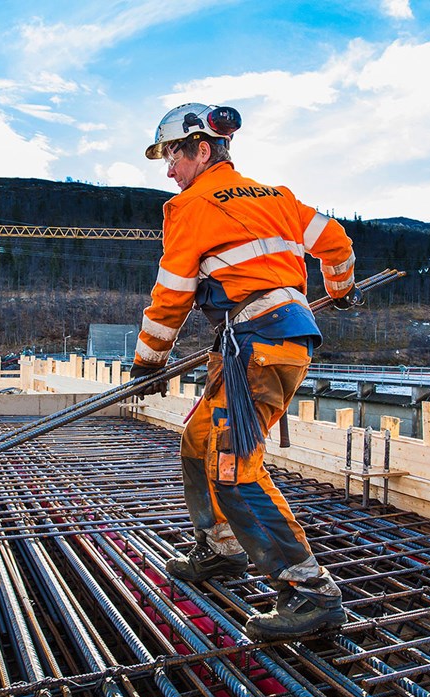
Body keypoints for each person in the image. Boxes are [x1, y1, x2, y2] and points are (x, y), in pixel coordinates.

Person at [132, 103, 361, 641]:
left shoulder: (189, 206)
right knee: (198, 439)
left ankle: (311, 590)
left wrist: (148, 363)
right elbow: (338, 244)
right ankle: (221, 548)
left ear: (201, 149)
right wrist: (340, 289)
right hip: (265, 340)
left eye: (171, 156)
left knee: (233, 466)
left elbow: (170, 298)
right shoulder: (277, 197)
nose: (169, 170)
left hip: (256, 345)